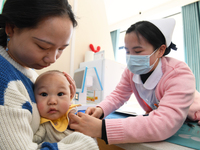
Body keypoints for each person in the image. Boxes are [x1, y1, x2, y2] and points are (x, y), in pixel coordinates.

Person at [69, 18, 200, 144]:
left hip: (193, 115)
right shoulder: (130, 72)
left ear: (160, 50)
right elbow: (118, 95)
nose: (131, 58)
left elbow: (164, 124)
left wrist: (102, 128)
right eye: (127, 51)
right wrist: (100, 109)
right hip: (171, 118)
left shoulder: (179, 73)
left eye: (137, 51)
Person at [0, 0, 99, 149]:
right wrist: (85, 143)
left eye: (61, 49)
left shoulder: (28, 72)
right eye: (43, 46)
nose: (52, 59)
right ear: (11, 28)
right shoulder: (6, 82)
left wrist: (64, 101)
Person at [33, 70, 98, 149]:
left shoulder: (74, 113)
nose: (52, 101)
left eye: (60, 94)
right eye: (44, 94)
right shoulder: (42, 126)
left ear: (70, 96)